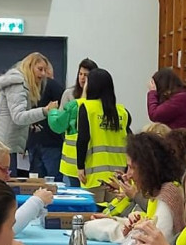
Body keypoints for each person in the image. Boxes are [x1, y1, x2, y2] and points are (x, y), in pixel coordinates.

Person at [0, 52, 58, 176]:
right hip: (3, 146)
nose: (43, 74)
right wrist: (44, 111)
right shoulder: (18, 84)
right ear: (30, 67)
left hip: (6, 145)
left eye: (45, 70)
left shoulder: (23, 85)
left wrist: (28, 126)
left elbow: (12, 116)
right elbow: (18, 117)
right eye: (40, 69)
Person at [115, 132, 186, 241]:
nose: (128, 174)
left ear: (146, 168)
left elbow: (156, 242)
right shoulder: (159, 193)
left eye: (132, 167)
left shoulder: (166, 195)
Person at [66, 68, 131, 188]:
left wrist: (80, 166)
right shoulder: (122, 111)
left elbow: (83, 139)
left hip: (94, 174)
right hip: (119, 174)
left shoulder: (87, 108)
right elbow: (130, 141)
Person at [49, 58, 97, 187]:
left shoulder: (99, 96)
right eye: (80, 74)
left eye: (86, 75)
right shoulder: (69, 94)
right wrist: (52, 113)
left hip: (93, 153)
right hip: (72, 154)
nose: (82, 78)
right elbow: (60, 121)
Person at [25, 60, 63, 178]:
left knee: (35, 180)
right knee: (54, 180)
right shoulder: (53, 86)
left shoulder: (28, 88)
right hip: (50, 142)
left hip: (35, 141)